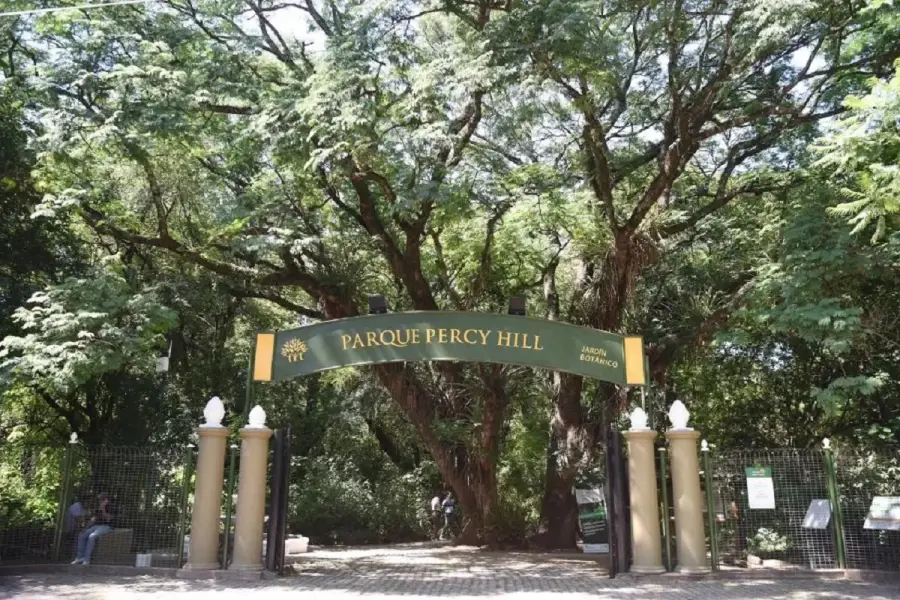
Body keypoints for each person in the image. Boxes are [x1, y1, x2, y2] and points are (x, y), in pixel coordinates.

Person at [71, 493, 117, 565]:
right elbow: (93, 519)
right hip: (97, 526)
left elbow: (108, 519)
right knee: (82, 535)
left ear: (106, 500)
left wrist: (103, 508)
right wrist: (85, 528)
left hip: (107, 526)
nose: (99, 501)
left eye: (102, 500)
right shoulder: (98, 507)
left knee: (92, 536)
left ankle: (87, 559)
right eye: (99, 500)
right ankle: (80, 557)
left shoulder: (111, 507)